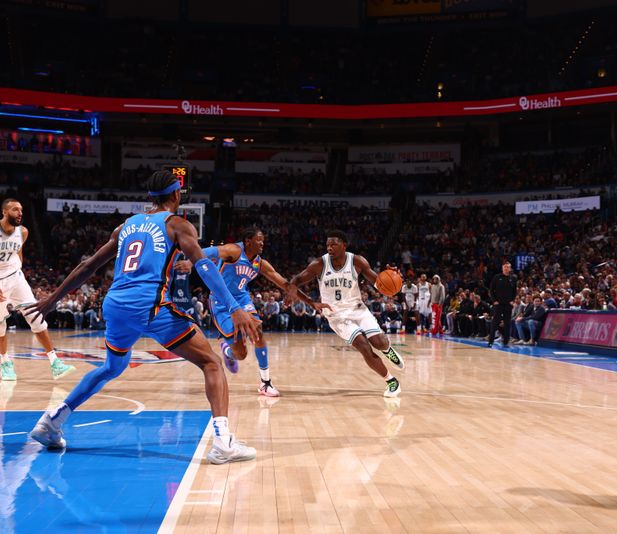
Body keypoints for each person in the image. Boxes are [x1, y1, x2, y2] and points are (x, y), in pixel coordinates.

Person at [25, 170, 260, 465]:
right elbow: (204, 266)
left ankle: (52, 421)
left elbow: (88, 265)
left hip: (115, 305)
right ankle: (223, 443)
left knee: (112, 366)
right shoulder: (178, 224)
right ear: (176, 195)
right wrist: (234, 307)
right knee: (211, 363)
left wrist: (53, 298)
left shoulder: (126, 226)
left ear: (151, 197)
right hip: (148, 306)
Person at [174, 227, 327, 397]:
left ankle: (265, 383)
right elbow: (210, 251)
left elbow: (285, 284)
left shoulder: (260, 263)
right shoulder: (234, 251)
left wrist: (312, 302)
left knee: (258, 333)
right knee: (241, 354)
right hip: (221, 302)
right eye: (259, 240)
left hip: (242, 300)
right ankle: (227, 350)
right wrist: (191, 262)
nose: (262, 243)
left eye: (263, 240)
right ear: (248, 241)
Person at [0, 198, 75, 381]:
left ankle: (55, 362)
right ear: (4, 212)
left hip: (14, 278)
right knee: (0, 326)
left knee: (36, 315)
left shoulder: (23, 232)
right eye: (15, 210)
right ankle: (5, 363)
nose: (20, 213)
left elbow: (18, 255)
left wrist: (16, 275)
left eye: (21, 210)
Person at [288, 230, 405, 397]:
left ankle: (387, 350)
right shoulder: (319, 264)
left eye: (334, 244)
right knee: (364, 347)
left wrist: (392, 279)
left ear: (344, 245)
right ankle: (391, 381)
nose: (329, 248)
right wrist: (299, 293)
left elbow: (379, 284)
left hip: (358, 309)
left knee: (378, 342)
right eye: (328, 245)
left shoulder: (357, 261)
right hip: (336, 315)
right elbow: (297, 280)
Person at [488, 261, 517, 347]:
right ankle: (491, 341)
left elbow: (514, 291)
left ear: (510, 268)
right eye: (505, 267)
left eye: (508, 267)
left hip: (508, 304)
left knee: (507, 323)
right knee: (495, 322)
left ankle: (506, 341)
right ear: (502, 268)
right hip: (498, 304)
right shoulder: (497, 277)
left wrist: (512, 300)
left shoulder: (513, 278)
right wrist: (494, 301)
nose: (506, 268)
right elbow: (491, 290)